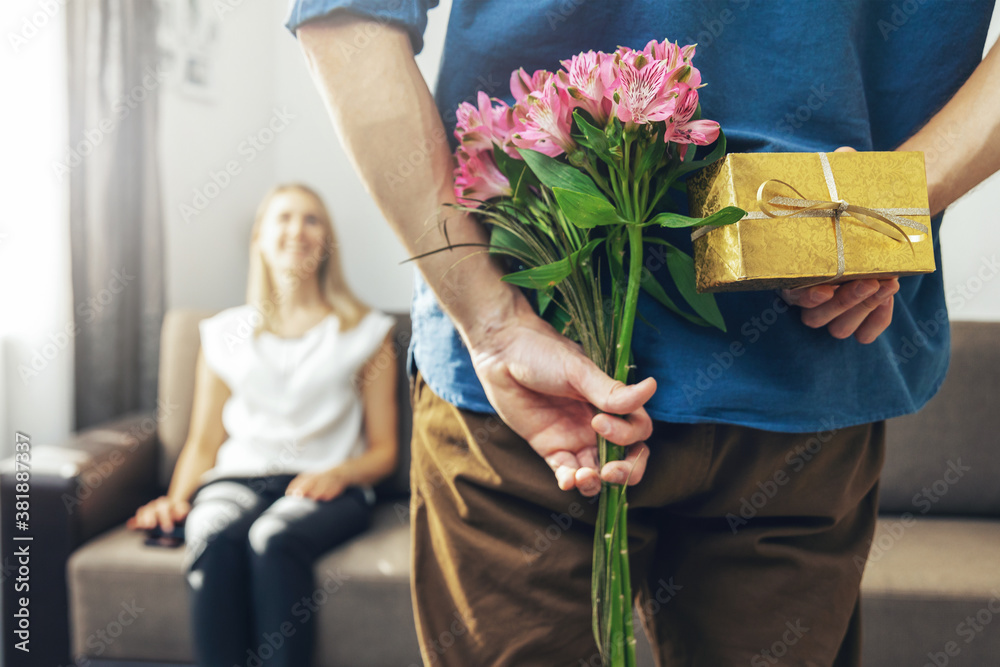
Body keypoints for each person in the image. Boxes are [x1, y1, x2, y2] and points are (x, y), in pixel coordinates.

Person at [284, 2, 1000, 665]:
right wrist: (894, 199)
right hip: (569, 384)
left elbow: (341, 17)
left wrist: (492, 319)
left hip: (545, 362)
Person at [125, 183, 399, 667]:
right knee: (211, 534)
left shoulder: (367, 332)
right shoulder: (221, 334)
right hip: (234, 481)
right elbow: (204, 441)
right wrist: (177, 499)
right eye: (284, 218)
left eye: (312, 219)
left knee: (273, 538)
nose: (298, 230)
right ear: (259, 239)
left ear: (328, 240)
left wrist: (342, 474)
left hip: (325, 489)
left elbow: (384, 451)